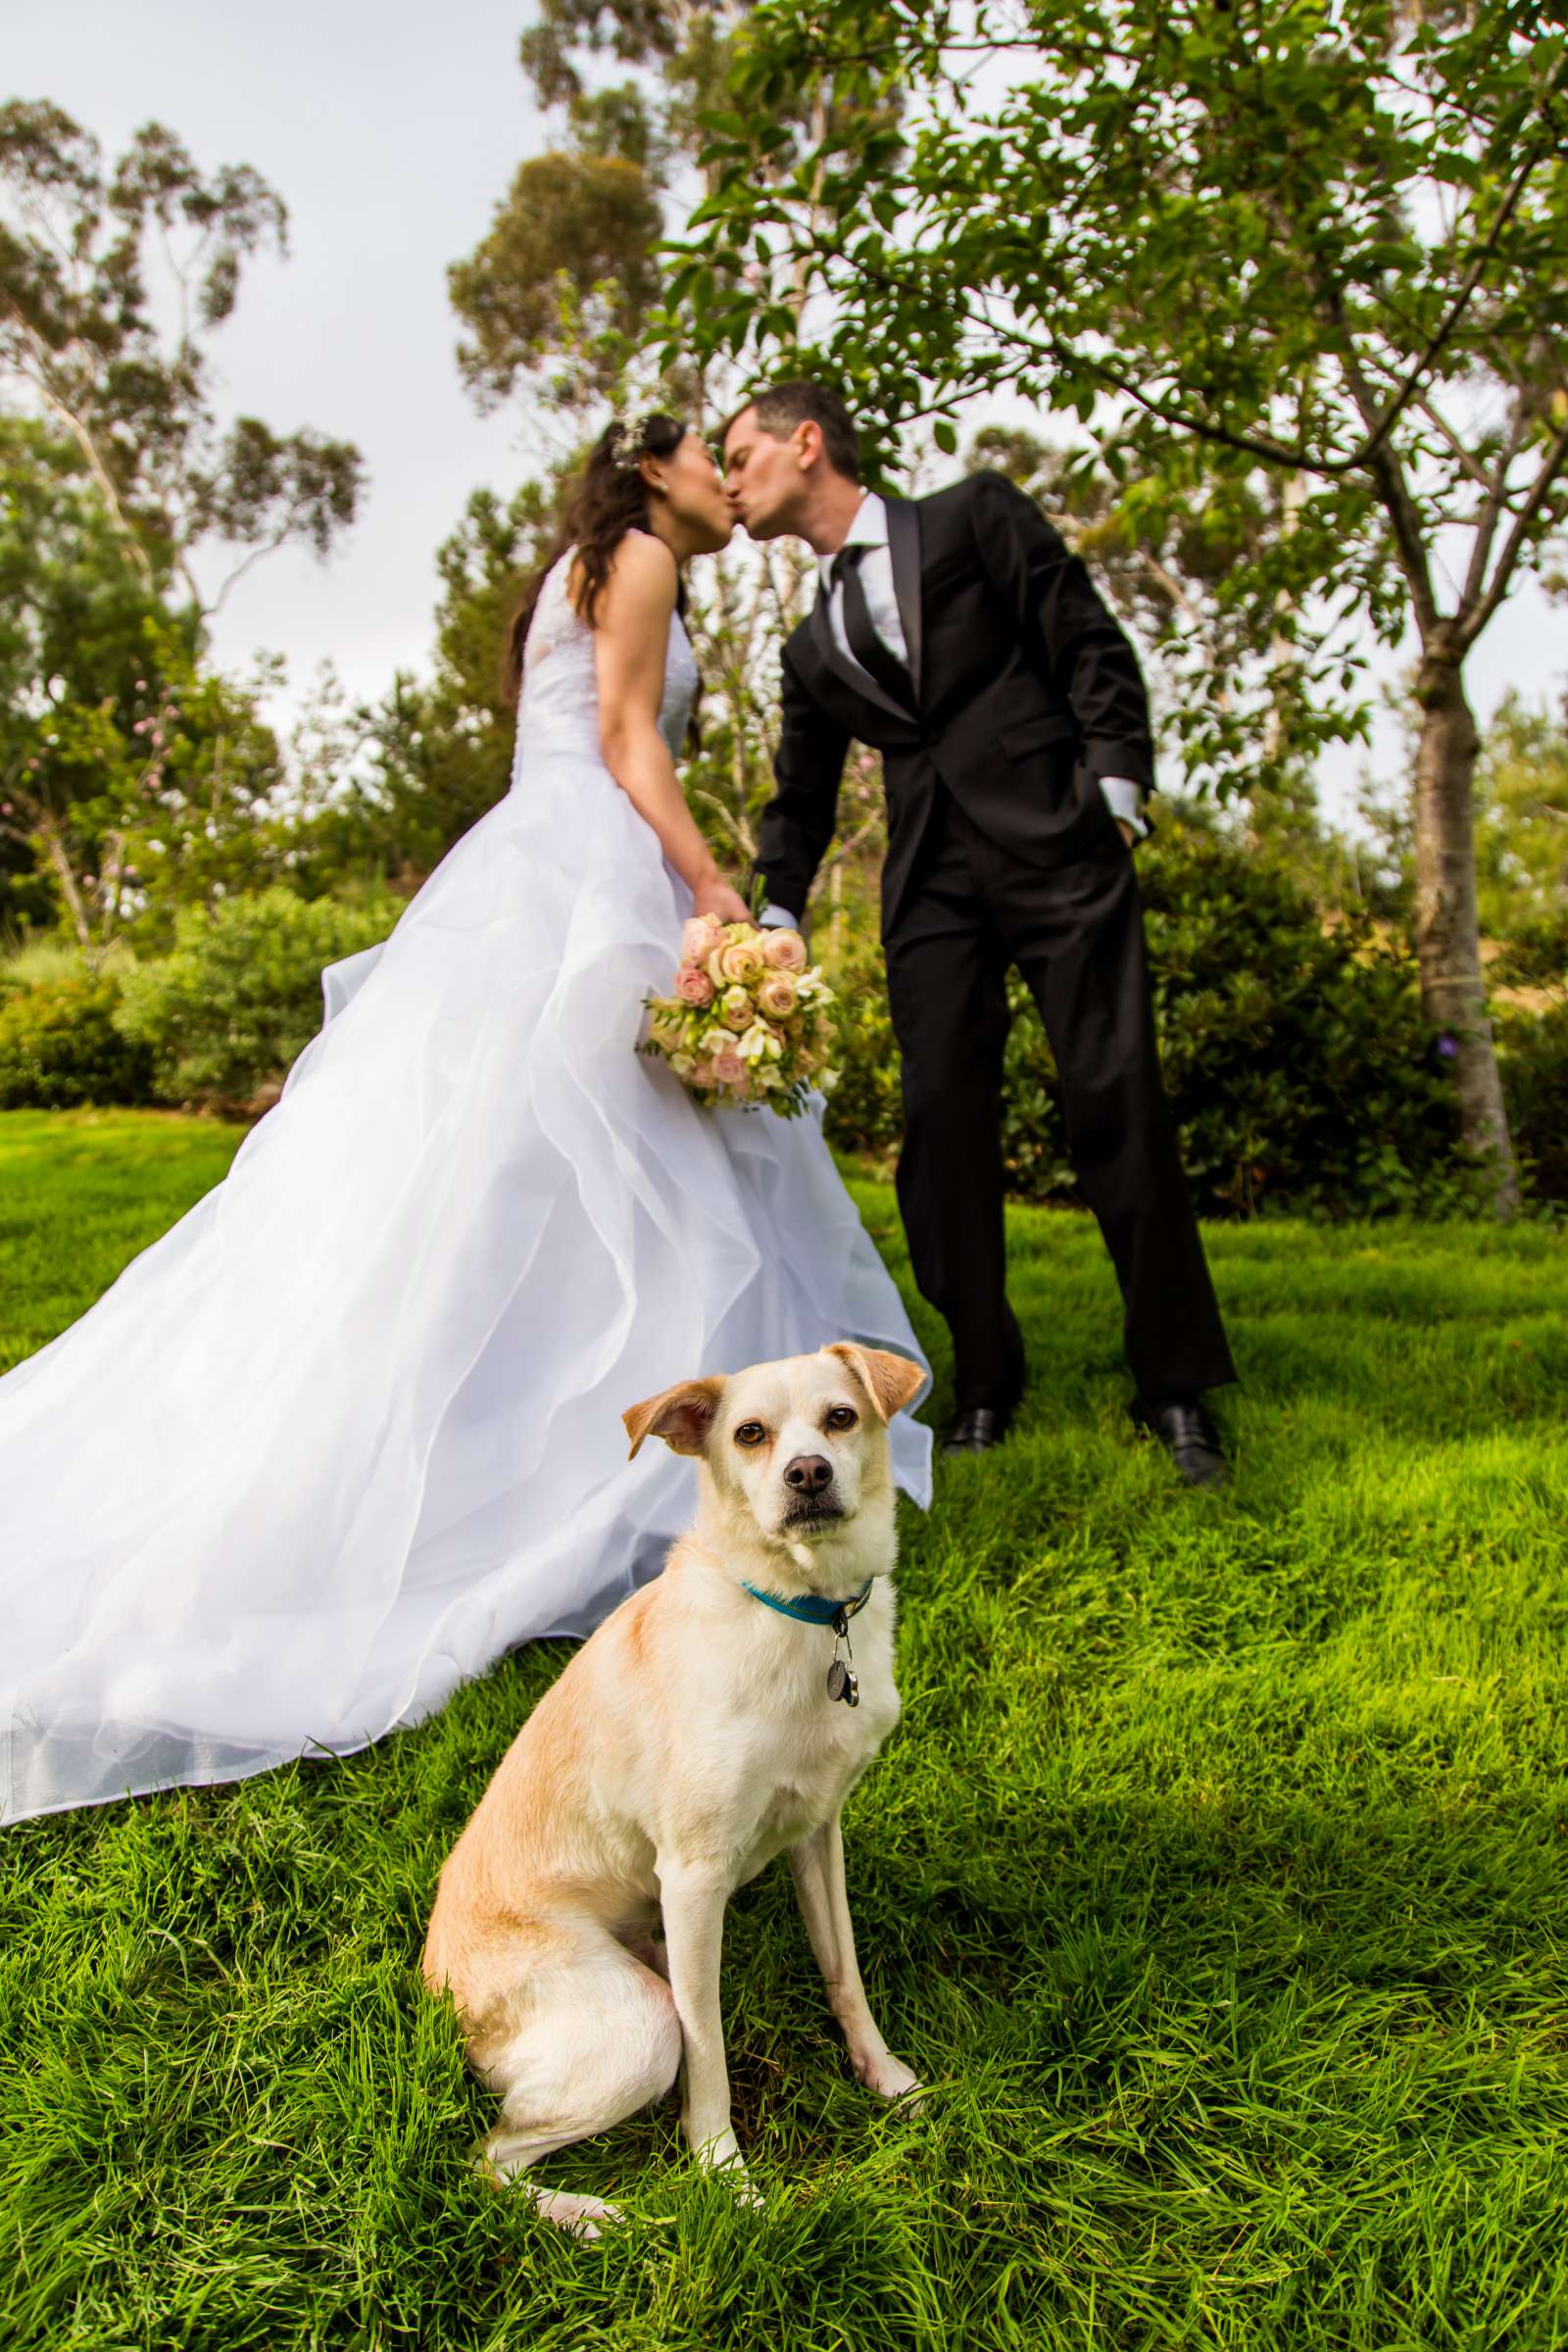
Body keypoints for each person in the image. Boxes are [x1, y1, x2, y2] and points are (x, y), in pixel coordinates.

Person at [0, 412, 933, 1828]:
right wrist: (710, 888)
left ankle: (581, 1455)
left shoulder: (587, 561)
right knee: (610, 1172)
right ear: (652, 472)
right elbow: (626, 735)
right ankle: (575, 1485)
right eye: (706, 462)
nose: (722, 488)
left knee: (553, 1180)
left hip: (537, 862)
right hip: (588, 869)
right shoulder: (636, 555)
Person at [722, 380, 1235, 1483]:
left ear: (807, 443)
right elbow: (799, 795)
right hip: (930, 889)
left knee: (1117, 1099)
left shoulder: (972, 515)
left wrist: (1115, 791)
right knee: (941, 1126)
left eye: (739, 452)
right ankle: (986, 1378)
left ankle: (1176, 1385)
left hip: (1059, 846)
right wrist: (774, 907)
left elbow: (1086, 640)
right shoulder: (812, 648)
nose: (728, 478)